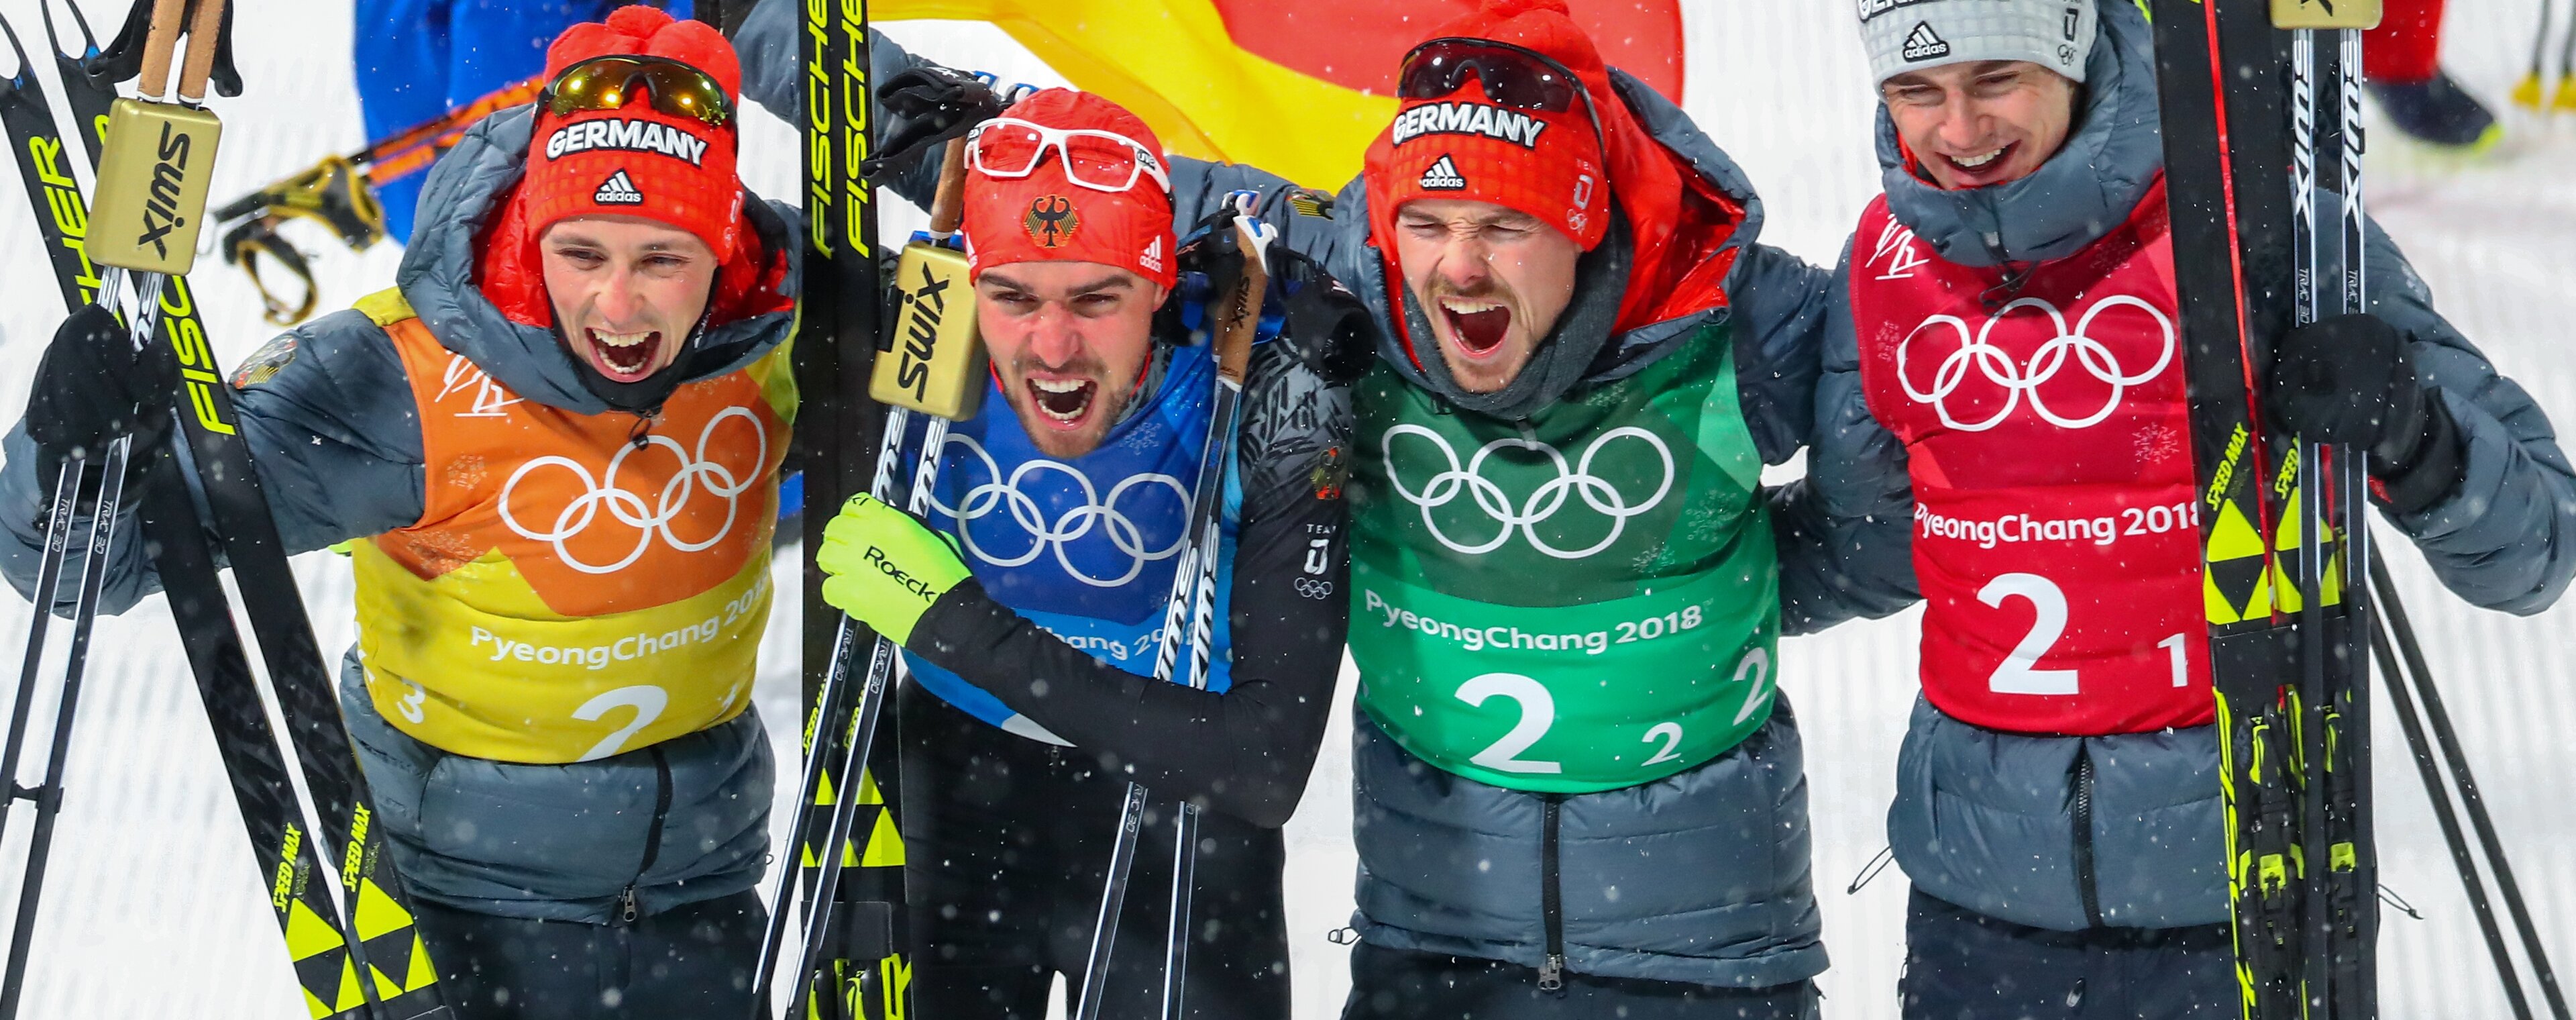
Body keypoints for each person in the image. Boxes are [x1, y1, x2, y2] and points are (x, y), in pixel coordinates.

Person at [6, 7, 798, 1017]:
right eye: (583, 253)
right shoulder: (393, 378)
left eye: (662, 260)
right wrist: (64, 446)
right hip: (464, 918)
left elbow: (1019, 337)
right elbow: (80, 566)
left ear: (724, 253)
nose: (618, 307)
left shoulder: (780, 321)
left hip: (710, 896)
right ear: (531, 227)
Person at [1805, 1, 2576, 1015]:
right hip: (1977, 916)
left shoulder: (2258, 220)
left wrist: (2415, 434)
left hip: (2245, 896)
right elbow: (1868, 548)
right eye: (1915, 91)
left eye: (1997, 80)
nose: (1957, 131)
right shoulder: (1885, 263)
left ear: (2075, 58)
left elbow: (2538, 549)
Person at [809, 89, 1368, 1019]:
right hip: (961, 806)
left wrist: (951, 623)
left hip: (1181, 831)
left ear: (1157, 286)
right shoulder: (931, 320)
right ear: (972, 282)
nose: (1053, 345)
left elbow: (1263, 765)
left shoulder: (1275, 390)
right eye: (1014, 296)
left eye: (1097, 299)